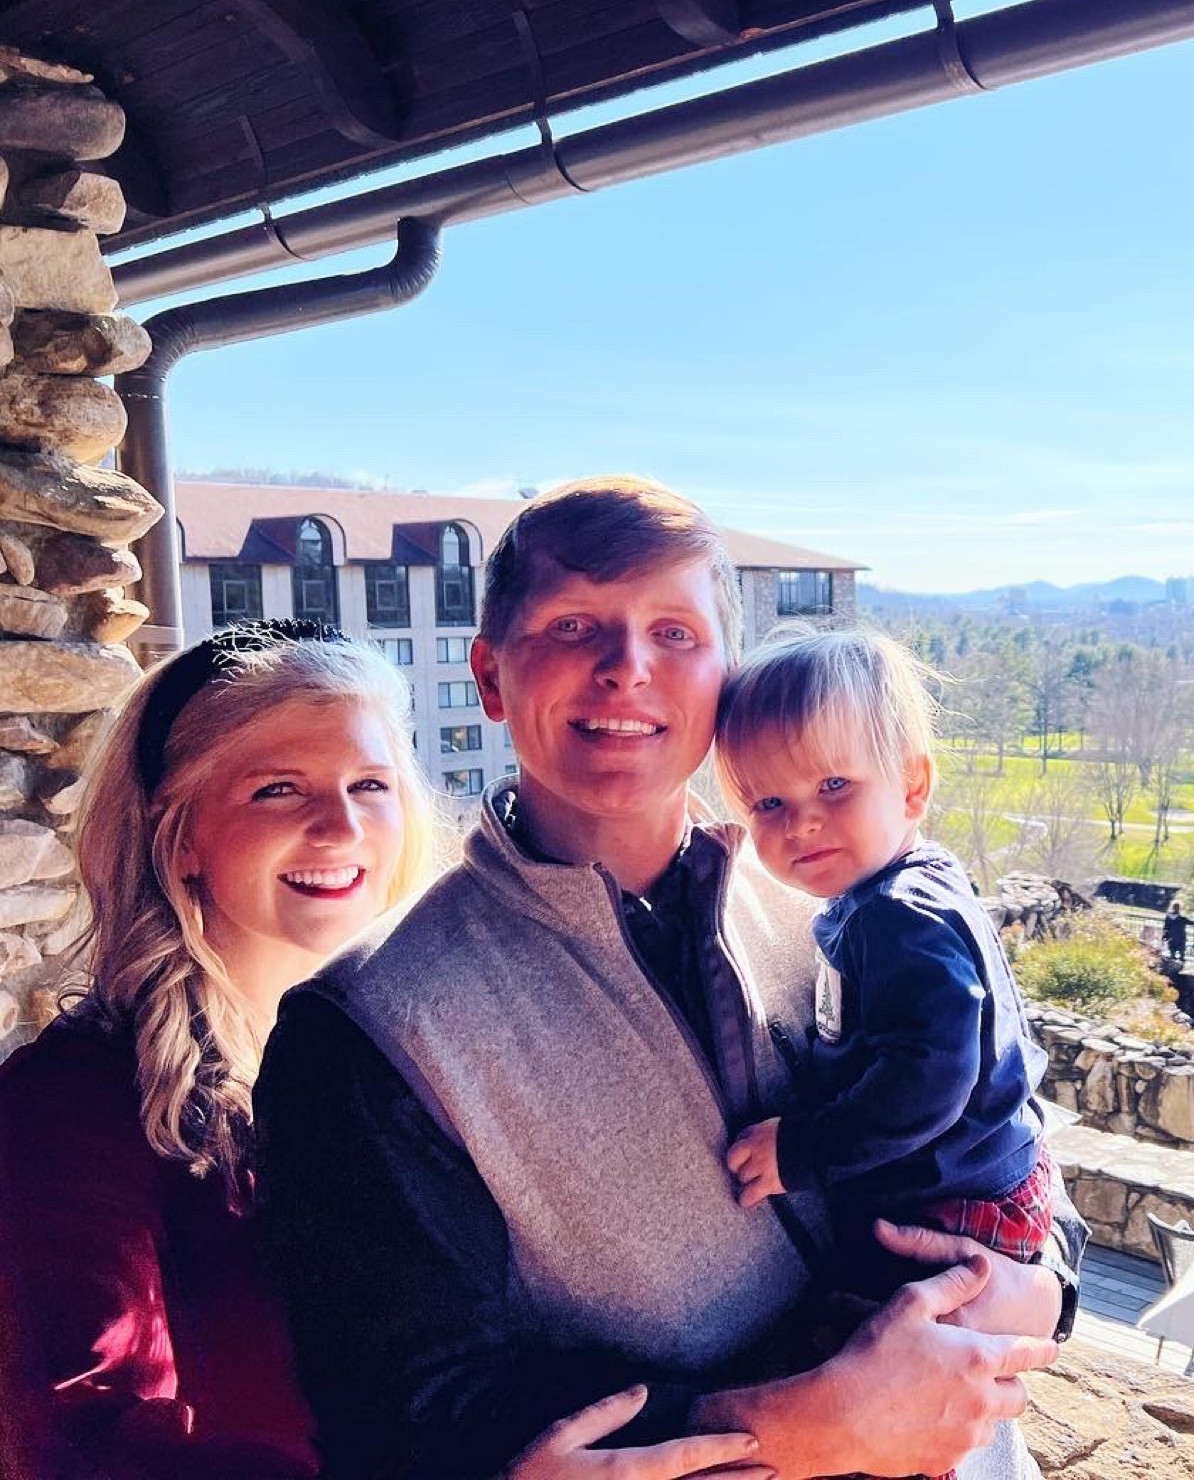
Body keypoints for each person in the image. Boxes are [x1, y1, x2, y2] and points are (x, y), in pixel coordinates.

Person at [255, 477, 1080, 1480]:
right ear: (490, 675)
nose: (626, 668)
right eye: (573, 626)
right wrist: (784, 1423)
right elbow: (409, 1413)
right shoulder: (371, 1026)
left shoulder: (838, 899)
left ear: (723, 676)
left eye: (675, 633)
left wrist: (1045, 1288)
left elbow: (1007, 1125)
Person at [0, 623, 439, 1478]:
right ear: (181, 835)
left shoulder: (431, 1064)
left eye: (370, 784)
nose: (339, 825)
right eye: (278, 789)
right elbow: (84, 1440)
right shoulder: (71, 1105)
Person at [717, 630, 1053, 1307]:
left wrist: (803, 1151)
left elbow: (930, 1076)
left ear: (912, 786)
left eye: (834, 785)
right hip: (975, 1177)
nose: (801, 823)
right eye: (769, 804)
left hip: (951, 1202)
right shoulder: (894, 888)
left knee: (868, 1331)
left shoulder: (899, 916)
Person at [1162, 900, 1189, 964]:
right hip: (1180, 938)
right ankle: (1180, 964)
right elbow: (1191, 922)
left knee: (1173, 954)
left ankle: (1173, 965)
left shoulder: (1169, 917)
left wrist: (1164, 936)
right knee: (1181, 954)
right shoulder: (1182, 917)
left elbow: (1166, 927)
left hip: (1172, 937)